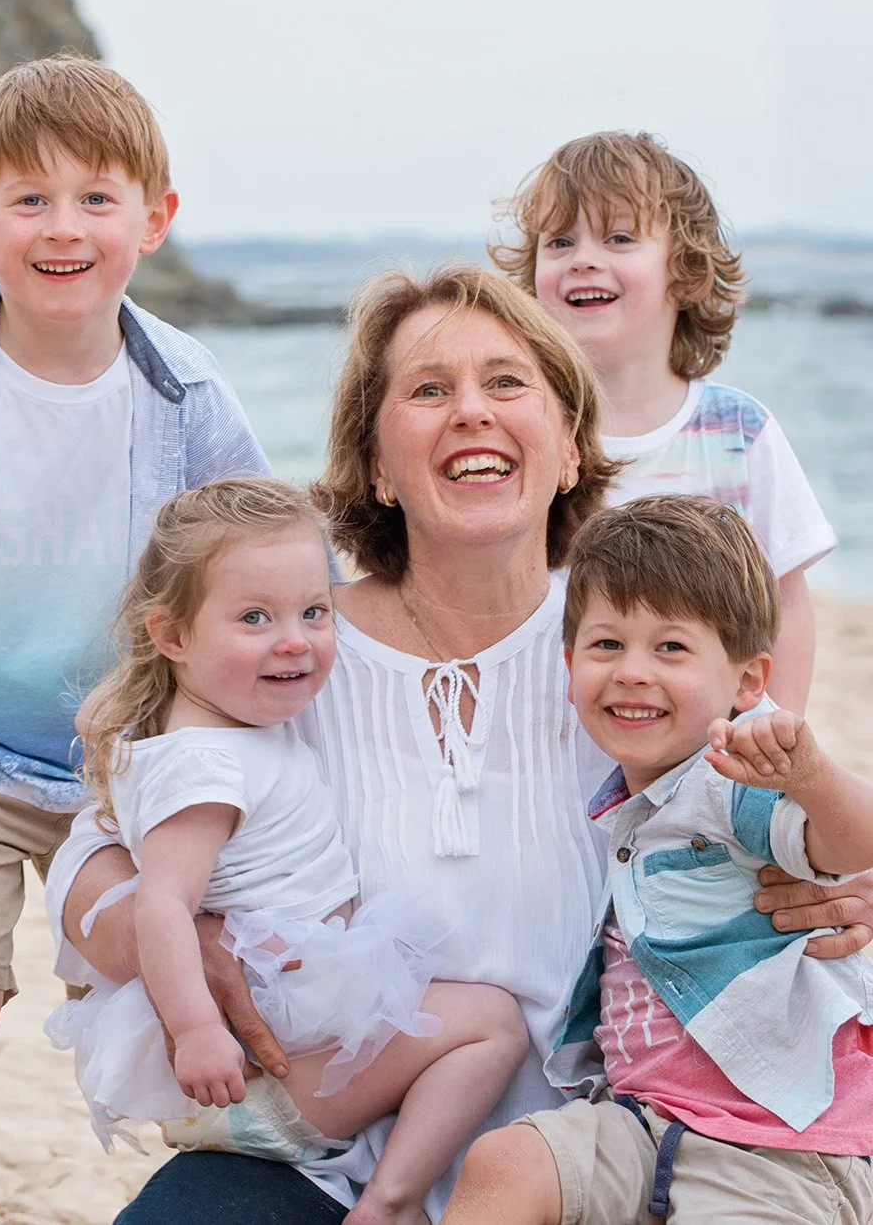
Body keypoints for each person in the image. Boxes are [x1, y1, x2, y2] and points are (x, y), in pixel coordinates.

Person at [44, 265, 872, 1225]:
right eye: (428, 389)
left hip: (600, 1160)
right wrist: (176, 932)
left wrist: (847, 893)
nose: (470, 412)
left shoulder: (634, 659)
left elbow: (784, 810)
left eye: (508, 383)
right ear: (379, 467)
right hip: (323, 1161)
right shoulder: (289, 651)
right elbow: (89, 861)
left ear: (569, 448)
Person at [0, 53, 268, 1225]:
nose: (63, 227)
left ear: (155, 219)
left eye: (96, 198)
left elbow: (257, 558)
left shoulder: (188, 393)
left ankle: (246, 1190)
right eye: (27, 199)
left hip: (125, 765)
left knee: (189, 983)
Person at [49, 475, 527, 1225]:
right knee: (493, 1023)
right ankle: (393, 1200)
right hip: (288, 1030)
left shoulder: (210, 723)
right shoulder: (207, 766)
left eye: (314, 611)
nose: (295, 641)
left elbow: (96, 717)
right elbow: (163, 901)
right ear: (171, 636)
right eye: (254, 617)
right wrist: (198, 1029)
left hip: (301, 1011)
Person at [443, 495, 873, 1225]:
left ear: (746, 681)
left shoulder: (728, 778)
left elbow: (849, 847)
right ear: (570, 660)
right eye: (608, 646)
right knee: (504, 1162)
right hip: (641, 1121)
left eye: (670, 648)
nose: (632, 672)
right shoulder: (619, 800)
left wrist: (810, 778)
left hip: (771, 1142)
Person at [490, 130, 835, 713]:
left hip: (699, 759)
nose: (584, 259)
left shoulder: (739, 431)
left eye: (619, 237)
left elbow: (785, 603)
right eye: (560, 242)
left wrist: (776, 730)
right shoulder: (522, 428)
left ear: (684, 271)